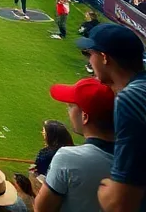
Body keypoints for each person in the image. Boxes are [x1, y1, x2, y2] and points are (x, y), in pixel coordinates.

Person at [79, 23, 146, 212]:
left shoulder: (131, 98)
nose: (89, 61)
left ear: (104, 58)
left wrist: (104, 188)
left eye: (89, 54)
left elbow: (119, 204)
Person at [32, 77, 115, 212]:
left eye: (71, 106)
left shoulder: (68, 157)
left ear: (85, 117)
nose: (68, 110)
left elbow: (41, 209)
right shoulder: (133, 157)